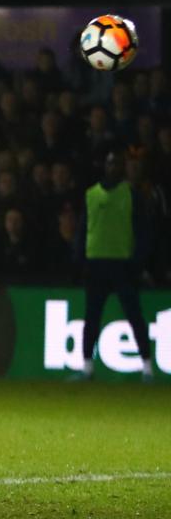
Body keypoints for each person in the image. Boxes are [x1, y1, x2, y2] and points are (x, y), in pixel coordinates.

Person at [74, 148, 154, 381]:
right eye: (111, 164)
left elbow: (142, 233)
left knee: (134, 315)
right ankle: (87, 366)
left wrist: (137, 264)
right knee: (91, 317)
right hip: (96, 265)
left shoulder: (132, 195)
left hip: (122, 265)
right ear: (105, 166)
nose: (114, 168)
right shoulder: (91, 194)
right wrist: (79, 261)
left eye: (118, 164)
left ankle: (147, 367)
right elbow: (82, 229)